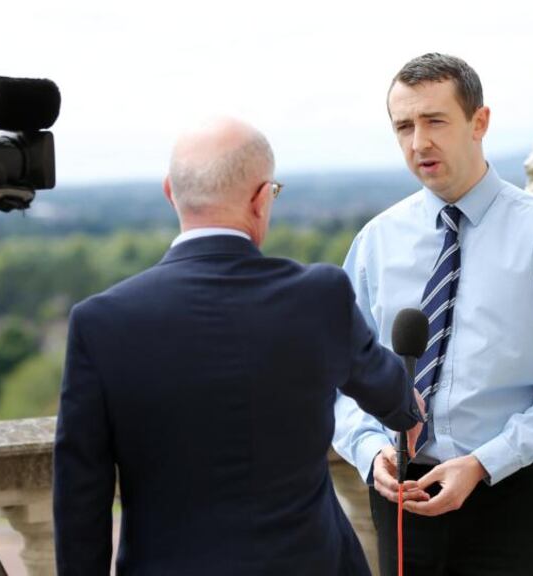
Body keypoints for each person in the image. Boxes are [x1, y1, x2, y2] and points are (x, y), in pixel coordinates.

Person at [53, 117, 424, 576]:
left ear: (171, 192)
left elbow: (79, 501)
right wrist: (408, 411)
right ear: (260, 197)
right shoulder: (319, 296)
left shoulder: (100, 323)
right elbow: (387, 391)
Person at [332, 53, 533, 575]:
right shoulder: (376, 242)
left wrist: (486, 462)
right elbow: (338, 376)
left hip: (508, 498)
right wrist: (370, 451)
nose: (419, 142)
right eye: (404, 126)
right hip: (401, 503)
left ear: (479, 122)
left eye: (435, 121)